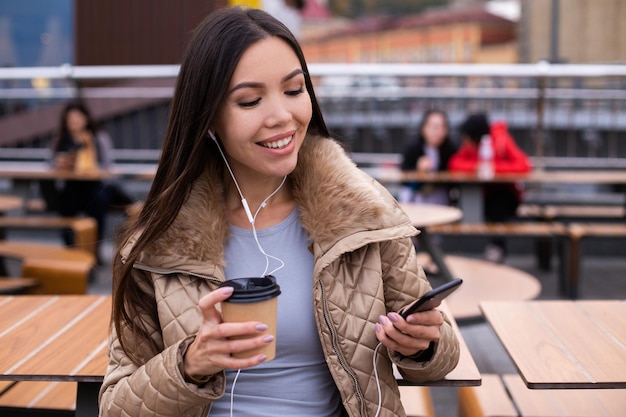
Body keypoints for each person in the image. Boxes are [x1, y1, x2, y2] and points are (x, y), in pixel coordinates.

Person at [99, 7, 460, 417]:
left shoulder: (364, 211)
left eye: (293, 90)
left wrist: (424, 344)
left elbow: (443, 355)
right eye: (250, 100)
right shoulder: (160, 239)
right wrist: (189, 364)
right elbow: (116, 406)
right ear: (208, 120)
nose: (282, 117)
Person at [50, 100, 135, 261]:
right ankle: (71, 252)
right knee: (66, 202)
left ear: (86, 118)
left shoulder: (98, 138)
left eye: (77, 118)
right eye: (70, 119)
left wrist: (90, 167)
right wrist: (62, 165)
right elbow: (50, 164)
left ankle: (93, 252)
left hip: (94, 187)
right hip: (71, 188)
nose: (74, 122)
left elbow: (107, 165)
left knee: (99, 200)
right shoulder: (60, 140)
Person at [448, 113, 532, 263]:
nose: (464, 142)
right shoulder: (470, 146)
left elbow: (524, 165)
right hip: (481, 196)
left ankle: (497, 248)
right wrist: (477, 167)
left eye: (466, 138)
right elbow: (454, 164)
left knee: (498, 202)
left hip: (505, 196)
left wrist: (494, 169)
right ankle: (496, 249)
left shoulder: (500, 140)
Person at [398, 109, 457, 206]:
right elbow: (404, 174)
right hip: (416, 195)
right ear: (423, 128)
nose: (439, 131)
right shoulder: (413, 147)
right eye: (435, 127)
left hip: (440, 196)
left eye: (443, 127)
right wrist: (418, 169)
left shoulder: (450, 149)